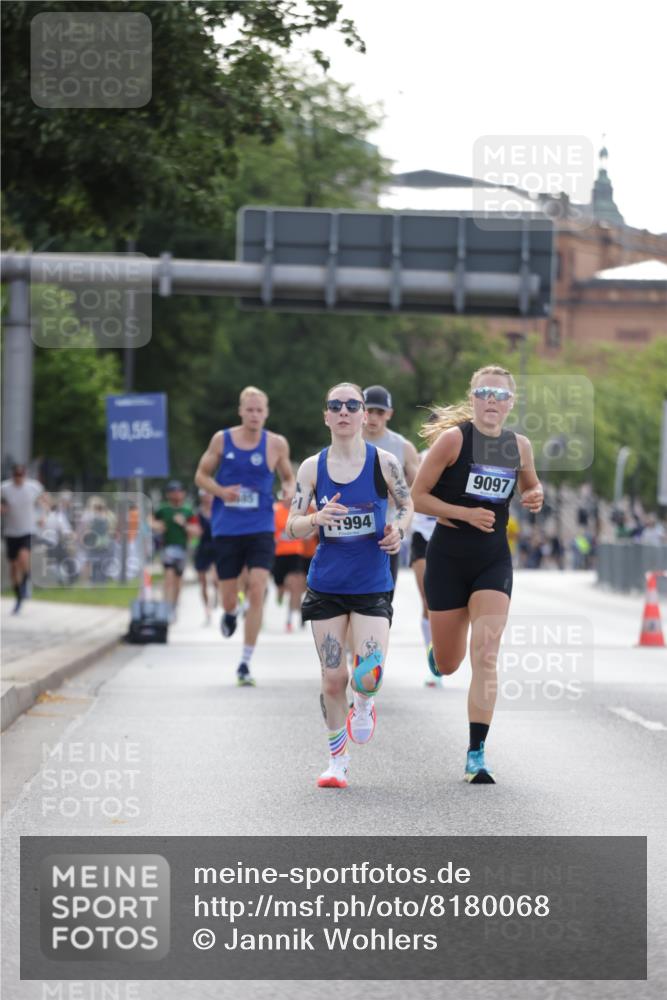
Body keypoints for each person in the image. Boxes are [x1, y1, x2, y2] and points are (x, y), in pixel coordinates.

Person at [411, 365, 543, 784]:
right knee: (449, 665)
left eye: (500, 395)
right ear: (473, 398)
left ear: (510, 403)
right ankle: (437, 651)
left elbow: (529, 489)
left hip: (492, 560)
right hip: (448, 558)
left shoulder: (518, 446)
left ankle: (476, 753)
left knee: (486, 653)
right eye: (484, 392)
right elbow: (418, 497)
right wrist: (463, 512)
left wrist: (535, 496)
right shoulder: (454, 440)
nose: (492, 400)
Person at [286, 382, 413, 789]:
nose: (344, 411)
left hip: (372, 581)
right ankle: (336, 763)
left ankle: (365, 704)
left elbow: (407, 504)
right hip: (326, 584)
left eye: (352, 405)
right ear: (326, 415)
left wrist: (399, 529)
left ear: (363, 415)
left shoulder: (385, 463)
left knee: (368, 673)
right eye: (335, 405)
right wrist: (315, 521)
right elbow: (291, 524)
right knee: (331, 678)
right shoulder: (311, 468)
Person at [195, 386, 295, 686]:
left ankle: (245, 662)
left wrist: (288, 491)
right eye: (249, 409)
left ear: (266, 413)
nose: (254, 415)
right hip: (227, 528)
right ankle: (230, 611)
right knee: (228, 596)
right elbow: (201, 475)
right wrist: (220, 492)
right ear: (241, 411)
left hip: (261, 527)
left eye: (259, 410)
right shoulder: (222, 440)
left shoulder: (277, 444)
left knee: (257, 586)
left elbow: (288, 477)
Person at [362, 385, 420, 589]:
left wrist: (397, 493)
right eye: (369, 410)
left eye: (380, 412)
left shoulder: (403, 447)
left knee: (384, 600)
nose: (373, 417)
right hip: (352, 532)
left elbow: (420, 487)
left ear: (389, 414)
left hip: (387, 532)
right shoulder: (347, 442)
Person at [1, 464, 46, 613]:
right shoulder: (5, 488)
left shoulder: (33, 487)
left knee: (24, 558)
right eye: (16, 476)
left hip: (27, 529)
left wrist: (42, 516)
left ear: (25, 476)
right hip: (11, 531)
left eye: (21, 476)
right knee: (13, 567)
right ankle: (18, 596)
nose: (19, 479)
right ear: (13, 476)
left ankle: (25, 582)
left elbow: (44, 501)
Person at [151, 481, 196, 619]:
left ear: (183, 493)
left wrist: (184, 524)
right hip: (167, 548)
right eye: (173, 491)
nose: (176, 494)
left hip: (182, 549)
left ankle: (174, 607)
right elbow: (150, 521)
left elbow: (196, 531)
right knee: (168, 578)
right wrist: (157, 525)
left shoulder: (188, 511)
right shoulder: (163, 509)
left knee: (178, 581)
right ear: (168, 494)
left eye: (178, 491)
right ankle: (166, 608)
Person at [272, 492, 307, 632]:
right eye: (286, 496)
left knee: (295, 586)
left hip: (295, 553)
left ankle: (291, 618)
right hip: (280, 554)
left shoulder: (299, 512)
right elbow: (274, 533)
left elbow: (305, 529)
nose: (289, 499)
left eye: (291, 497)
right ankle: (280, 594)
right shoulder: (276, 511)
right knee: (280, 586)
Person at [193, 490, 218, 625]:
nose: (207, 498)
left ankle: (217, 596)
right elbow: (193, 531)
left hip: (216, 548)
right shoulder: (197, 514)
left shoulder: (219, 511)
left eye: (209, 495)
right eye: (205, 496)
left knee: (215, 579)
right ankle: (207, 611)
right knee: (202, 583)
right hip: (202, 549)